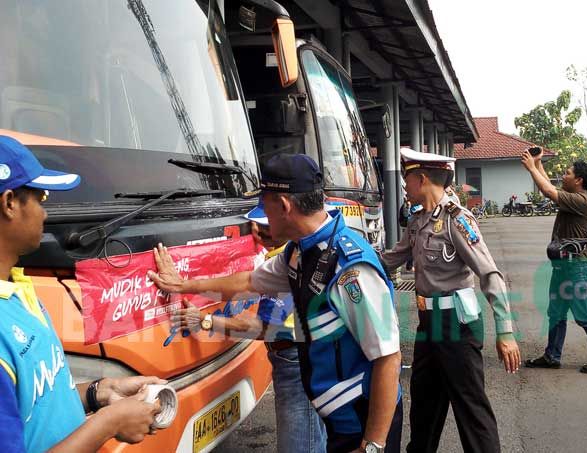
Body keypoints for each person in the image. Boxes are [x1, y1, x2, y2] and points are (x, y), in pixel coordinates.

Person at [148, 154, 402, 453]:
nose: (263, 221)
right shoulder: (300, 251)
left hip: (362, 425)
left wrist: (373, 445)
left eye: (265, 208)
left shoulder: (350, 268)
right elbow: (249, 282)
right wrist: (184, 284)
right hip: (339, 419)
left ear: (284, 206)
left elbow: (388, 358)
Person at [0, 135, 163, 452]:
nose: (45, 214)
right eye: (41, 198)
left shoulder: (16, 290)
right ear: (9, 203)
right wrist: (109, 423)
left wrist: (100, 392)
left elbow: (36, 407)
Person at [381, 148, 521, 453]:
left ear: (420, 179)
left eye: (406, 179)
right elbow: (390, 259)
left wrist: (506, 331)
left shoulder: (458, 220)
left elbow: (490, 273)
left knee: (471, 409)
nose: (404, 186)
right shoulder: (417, 222)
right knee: (424, 406)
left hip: (457, 325)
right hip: (428, 325)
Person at [167, 205, 327, 453]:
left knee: (301, 443)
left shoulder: (286, 261)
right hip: (301, 355)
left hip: (294, 361)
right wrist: (184, 284)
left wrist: (205, 320)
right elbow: (246, 281)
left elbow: (264, 328)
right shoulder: (289, 253)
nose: (254, 231)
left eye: (263, 226)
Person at [520, 150, 587, 373]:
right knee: (556, 314)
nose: (563, 175)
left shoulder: (581, 201)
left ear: (579, 180)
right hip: (564, 267)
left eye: (568, 173)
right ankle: (552, 355)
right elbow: (551, 187)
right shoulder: (573, 198)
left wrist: (531, 167)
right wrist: (538, 162)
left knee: (584, 316)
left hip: (577, 268)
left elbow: (547, 190)